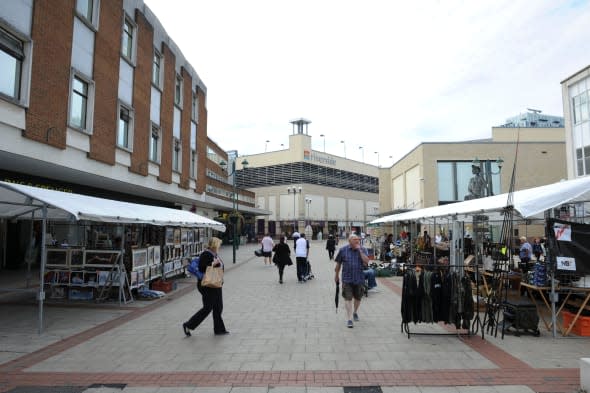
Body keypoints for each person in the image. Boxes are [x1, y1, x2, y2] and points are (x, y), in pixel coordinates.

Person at [182, 237, 229, 336]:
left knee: (218, 307)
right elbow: (203, 267)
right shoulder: (206, 254)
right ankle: (188, 325)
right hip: (207, 285)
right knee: (207, 308)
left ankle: (219, 329)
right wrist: (214, 264)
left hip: (216, 284)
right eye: (219, 244)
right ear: (214, 245)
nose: (219, 246)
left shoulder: (214, 254)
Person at [334, 234, 370, 328]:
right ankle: (349, 319)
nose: (357, 241)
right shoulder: (343, 250)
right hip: (347, 278)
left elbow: (366, 261)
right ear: (349, 241)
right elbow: (338, 264)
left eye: (358, 239)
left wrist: (360, 251)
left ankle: (355, 312)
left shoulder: (363, 249)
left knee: (358, 298)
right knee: (348, 298)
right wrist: (336, 275)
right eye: (355, 240)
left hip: (359, 278)